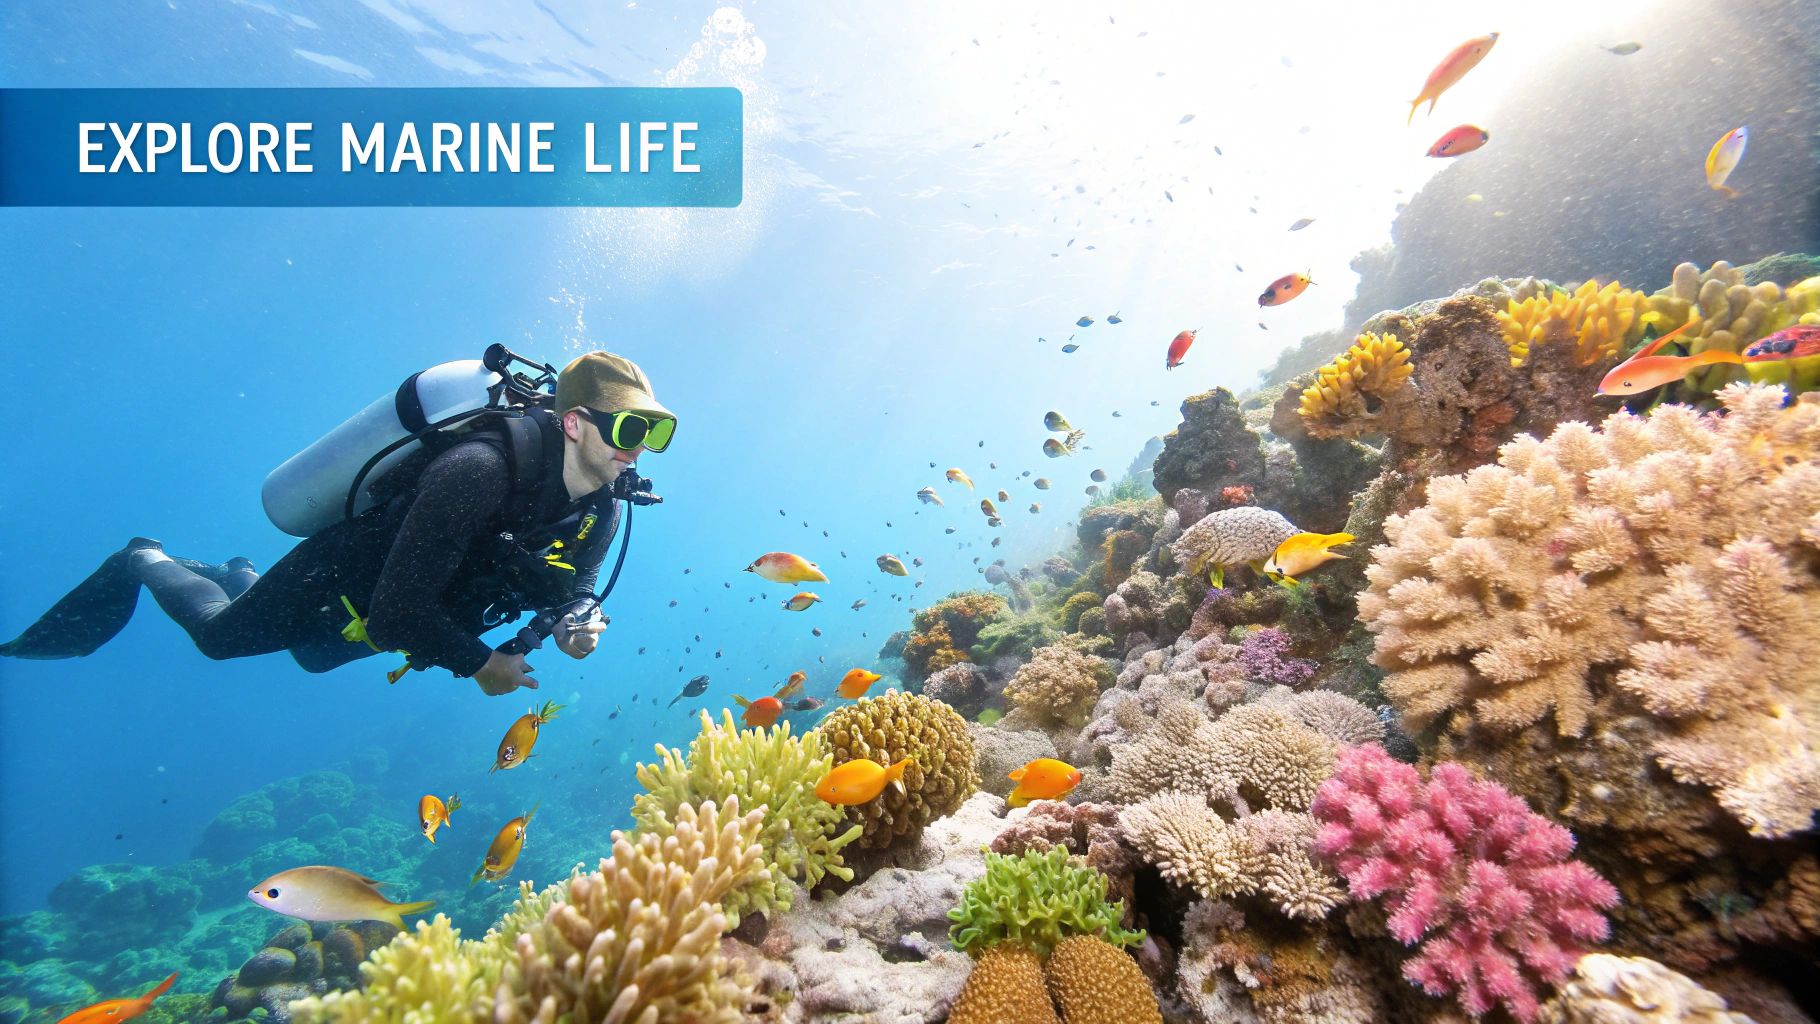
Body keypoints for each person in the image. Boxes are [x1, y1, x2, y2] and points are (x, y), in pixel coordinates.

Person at [0, 351, 675, 696]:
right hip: (344, 579)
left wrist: (578, 618)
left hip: (405, 610)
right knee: (217, 641)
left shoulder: (603, 501)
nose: (637, 446)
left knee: (314, 658)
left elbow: (579, 578)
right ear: (575, 422)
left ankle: (238, 572)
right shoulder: (477, 470)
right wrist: (481, 666)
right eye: (628, 427)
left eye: (653, 430)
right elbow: (395, 613)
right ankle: (143, 558)